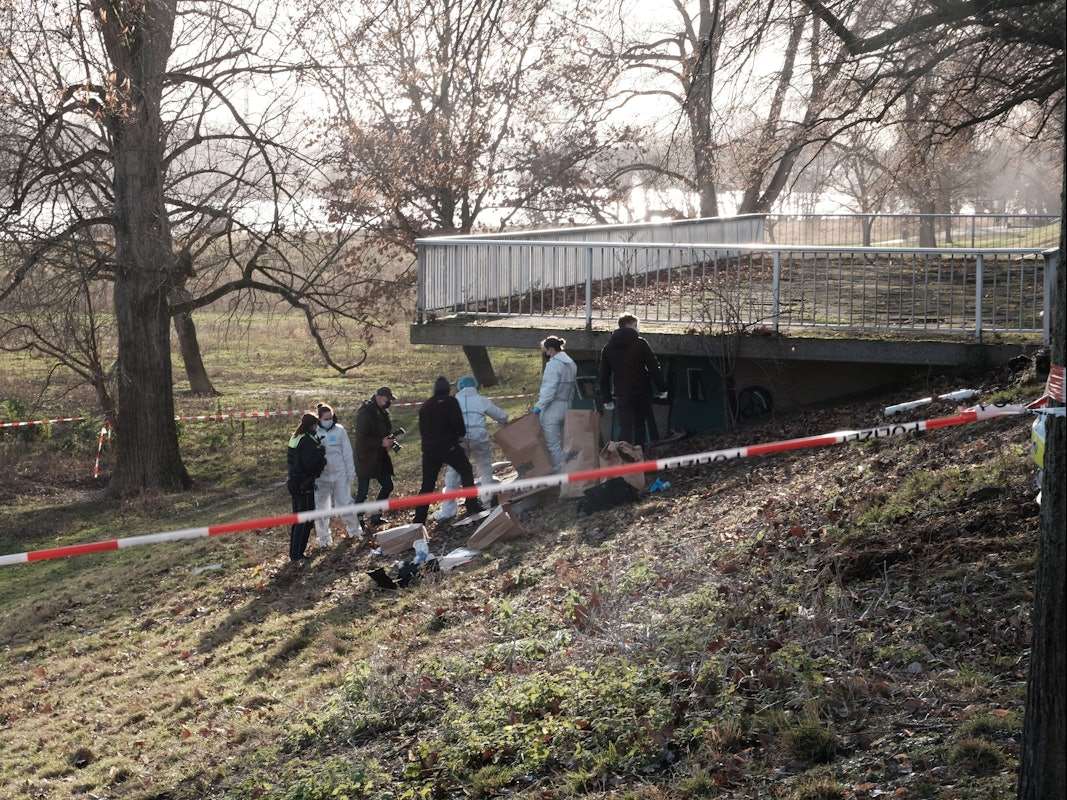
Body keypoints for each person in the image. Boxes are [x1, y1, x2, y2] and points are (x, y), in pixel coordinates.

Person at [411, 376, 485, 525]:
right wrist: (458, 435)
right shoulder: (451, 401)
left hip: (429, 450)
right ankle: (472, 506)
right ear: (448, 389)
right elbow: (459, 424)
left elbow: (422, 430)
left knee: (427, 485)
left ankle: (418, 520)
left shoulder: (425, 406)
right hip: (448, 447)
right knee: (466, 470)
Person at [435, 375, 509, 520]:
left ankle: (448, 511)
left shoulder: (454, 401)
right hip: (479, 437)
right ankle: (486, 502)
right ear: (475, 387)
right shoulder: (482, 400)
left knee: (453, 474)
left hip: (459, 439)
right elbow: (503, 416)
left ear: (460, 388)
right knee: (485, 469)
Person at [598, 314, 669, 446]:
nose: (637, 328)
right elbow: (653, 368)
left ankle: (626, 457)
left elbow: (604, 376)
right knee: (639, 425)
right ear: (630, 325)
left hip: (622, 393)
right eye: (636, 325)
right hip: (642, 391)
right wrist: (662, 388)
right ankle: (639, 454)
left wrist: (607, 399)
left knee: (625, 428)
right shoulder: (640, 344)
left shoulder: (608, 348)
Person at [313, 404, 363, 546]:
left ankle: (355, 531)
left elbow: (347, 453)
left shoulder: (340, 431)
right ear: (319, 419)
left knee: (345, 503)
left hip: (340, 474)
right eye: (326, 418)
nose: (329, 420)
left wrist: (351, 473)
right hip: (322, 477)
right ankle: (324, 539)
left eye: (331, 417)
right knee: (321, 508)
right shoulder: (315, 432)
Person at [354, 387, 398, 527]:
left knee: (388, 485)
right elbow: (361, 438)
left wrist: (390, 442)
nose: (389, 402)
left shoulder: (383, 413)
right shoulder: (365, 412)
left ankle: (376, 514)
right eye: (387, 399)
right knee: (362, 492)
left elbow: (386, 431)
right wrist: (380, 442)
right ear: (379, 398)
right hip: (365, 458)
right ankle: (357, 521)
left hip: (380, 456)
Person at [533, 336, 577, 473]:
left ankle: (560, 472)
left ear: (551, 349)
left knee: (552, 444)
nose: (546, 354)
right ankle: (572, 467)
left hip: (553, 407)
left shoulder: (553, 365)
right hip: (567, 405)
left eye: (546, 351)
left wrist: (540, 406)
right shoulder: (571, 363)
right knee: (566, 442)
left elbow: (549, 389)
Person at [286, 412, 326, 562]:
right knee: (305, 520)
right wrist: (320, 454)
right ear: (313, 425)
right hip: (304, 484)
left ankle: (295, 553)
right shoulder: (308, 441)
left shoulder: (296, 437)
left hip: (294, 482)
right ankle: (297, 555)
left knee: (299, 519)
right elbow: (308, 464)